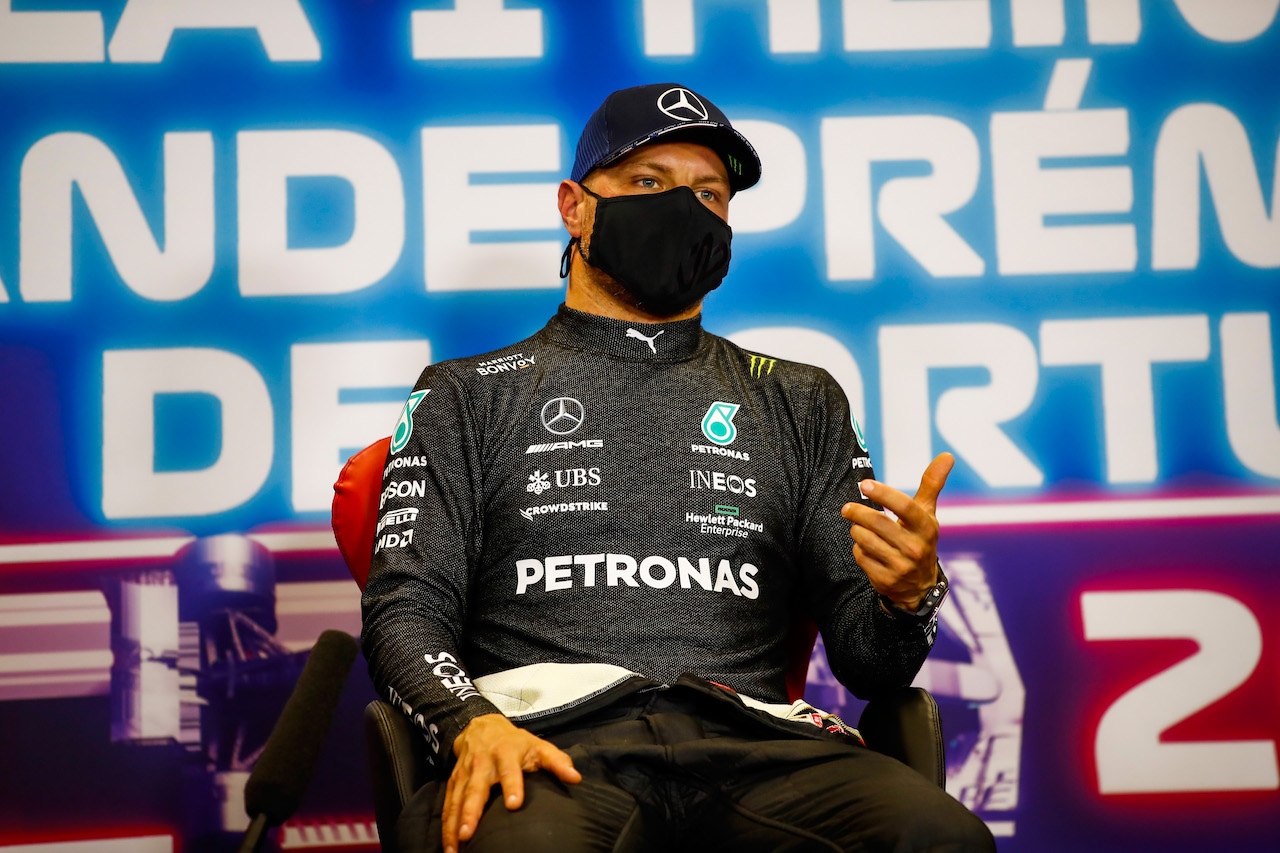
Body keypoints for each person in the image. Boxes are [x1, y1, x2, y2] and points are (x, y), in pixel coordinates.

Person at [362, 83, 996, 853]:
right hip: (548, 746)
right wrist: (470, 723)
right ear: (574, 207)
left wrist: (908, 597)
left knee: (939, 837)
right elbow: (405, 610)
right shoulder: (465, 393)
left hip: (762, 747)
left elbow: (872, 666)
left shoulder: (800, 399)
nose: (682, 208)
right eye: (648, 181)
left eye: (708, 193)